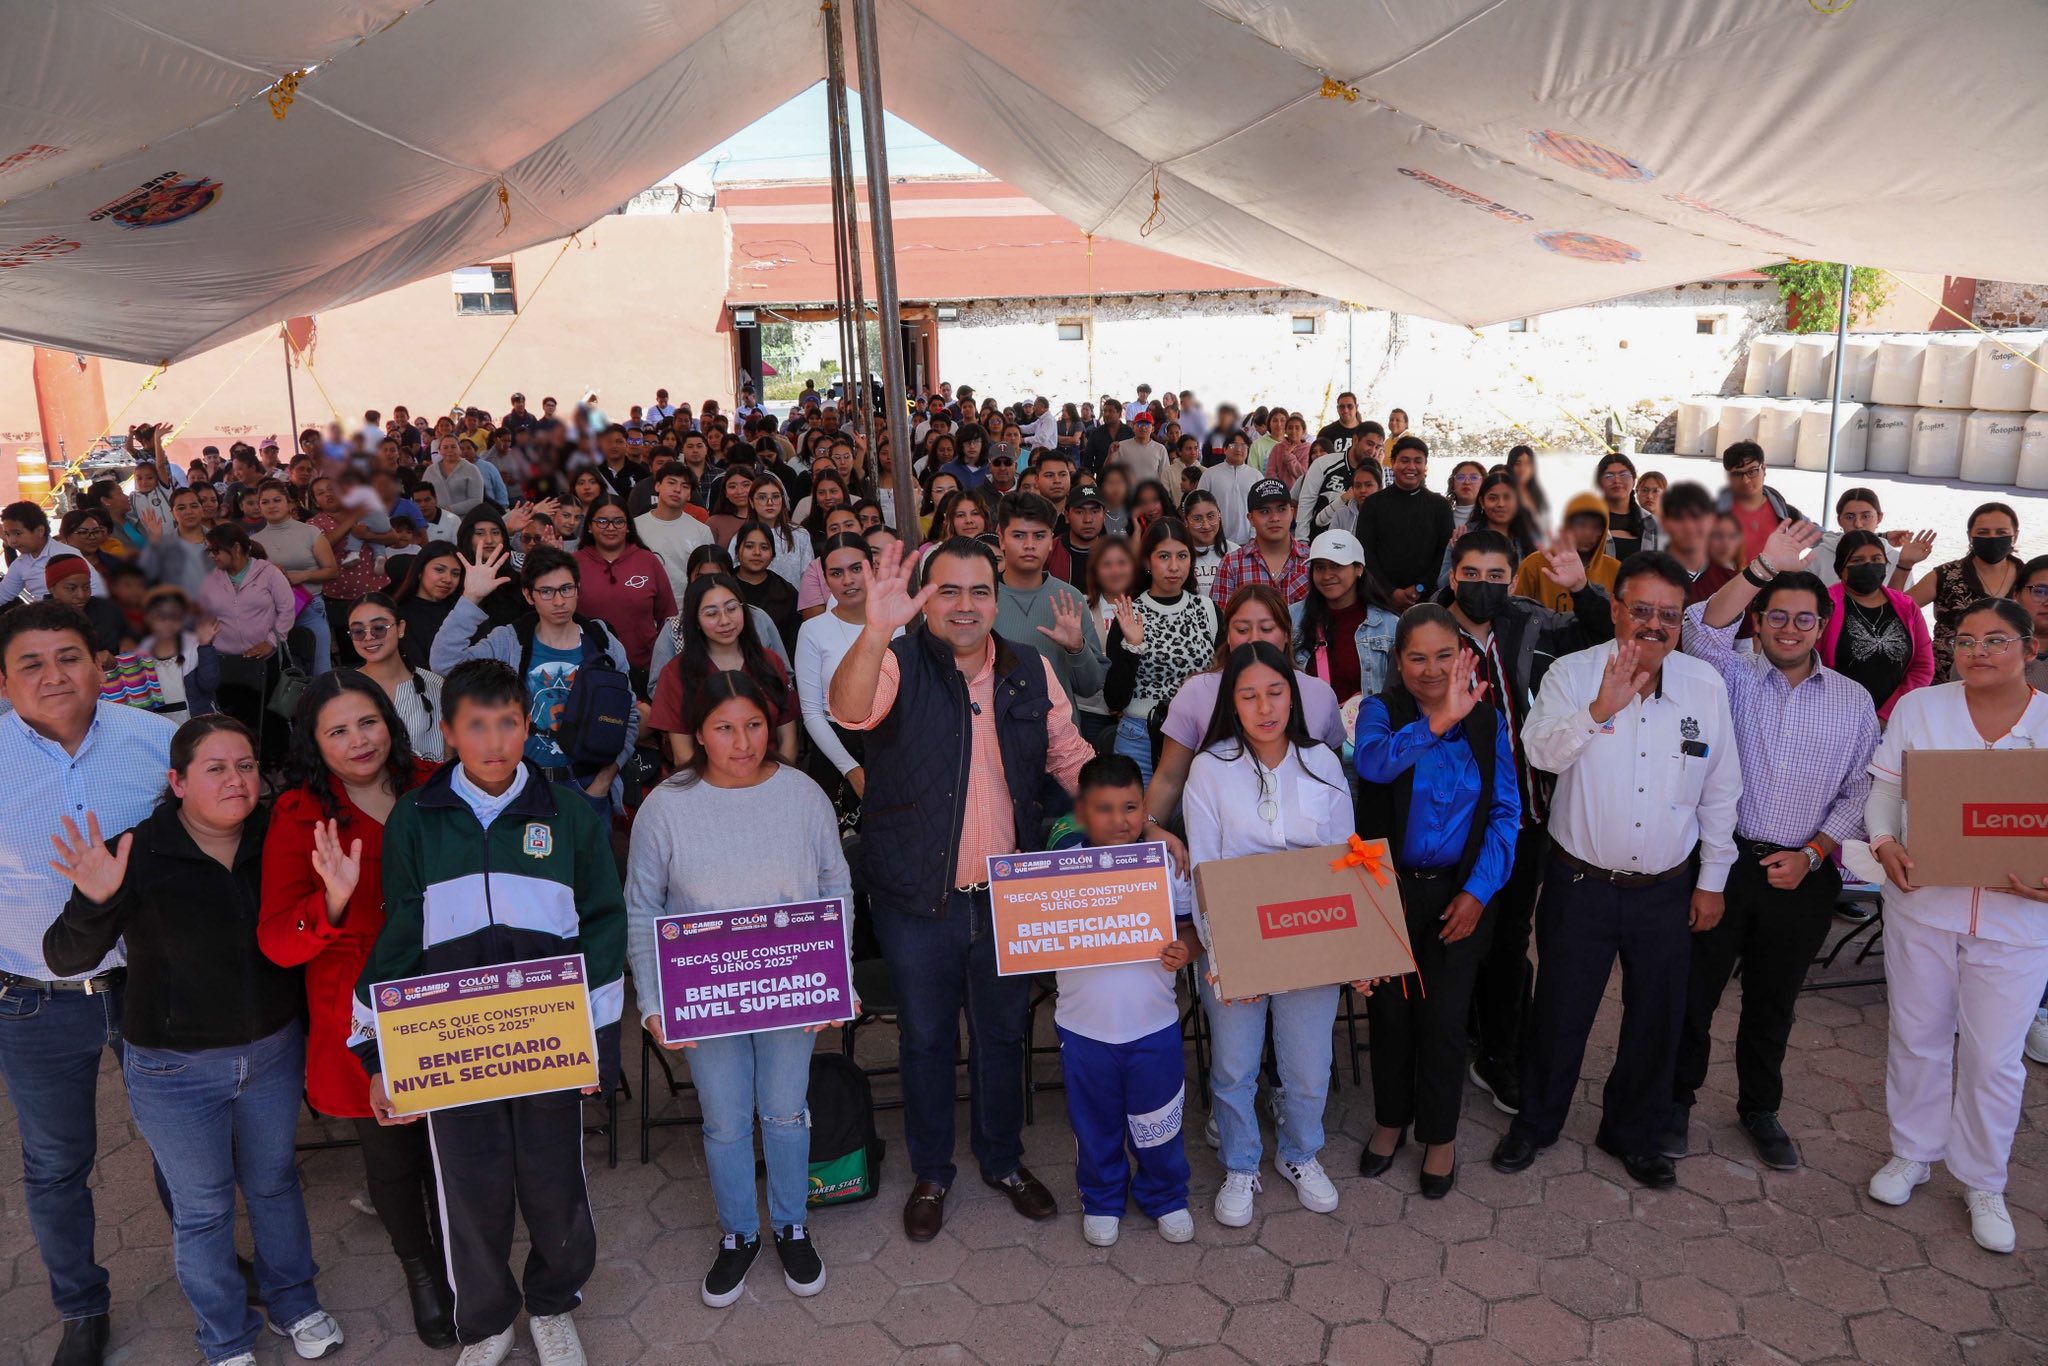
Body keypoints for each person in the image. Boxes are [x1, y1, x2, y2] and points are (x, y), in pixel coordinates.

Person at [828, 537, 1105, 1242]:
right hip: (918, 897)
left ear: (996, 599)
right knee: (924, 1039)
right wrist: (875, 630)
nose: (964, 606)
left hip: (1008, 895)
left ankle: (1002, 1160)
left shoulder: (1029, 670)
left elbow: (1071, 759)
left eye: (979, 591)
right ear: (924, 600)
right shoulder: (896, 660)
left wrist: (1136, 825)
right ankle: (932, 1172)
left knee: (1003, 1034)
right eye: (946, 590)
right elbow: (849, 711)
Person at [45, 715, 344, 1366]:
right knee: (204, 1208)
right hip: (174, 1071)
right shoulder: (136, 852)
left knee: (274, 1185)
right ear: (177, 781)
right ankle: (225, 1337)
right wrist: (94, 902)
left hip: (271, 1052)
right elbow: (66, 956)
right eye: (215, 768)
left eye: (245, 766)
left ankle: (295, 1303)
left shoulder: (276, 839)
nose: (236, 780)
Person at [349, 660, 624, 1363]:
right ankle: (487, 1319)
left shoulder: (569, 815)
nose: (494, 741)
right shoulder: (417, 819)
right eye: (476, 725)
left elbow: (603, 924)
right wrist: (379, 1052)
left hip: (548, 1045)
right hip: (454, 1047)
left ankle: (554, 1303)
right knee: (469, 1189)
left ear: (528, 726)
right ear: (447, 732)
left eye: (508, 723)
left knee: (555, 1182)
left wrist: (597, 1040)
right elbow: (400, 933)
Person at [1494, 552, 1740, 1190]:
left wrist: (1712, 880)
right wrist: (1599, 709)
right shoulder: (1574, 673)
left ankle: (1633, 1133)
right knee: (1560, 1011)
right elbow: (1539, 752)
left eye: (1669, 614)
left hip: (1667, 889)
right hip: (1580, 885)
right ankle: (1536, 1123)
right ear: (1616, 610)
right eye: (1642, 610)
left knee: (1656, 1017)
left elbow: (1721, 790)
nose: (1654, 624)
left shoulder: (1705, 686)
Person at [627, 670, 852, 1306]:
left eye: (753, 725)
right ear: (698, 733)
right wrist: (653, 1002)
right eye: (724, 728)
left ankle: (790, 1224)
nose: (743, 741)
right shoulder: (666, 806)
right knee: (725, 1120)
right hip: (704, 996)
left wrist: (837, 978)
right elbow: (642, 907)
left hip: (792, 985)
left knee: (785, 1110)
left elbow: (835, 885)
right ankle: (739, 1233)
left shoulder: (803, 795)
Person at [1668, 521, 1879, 1172]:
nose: (1790, 629)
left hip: (1803, 875)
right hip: (1723, 865)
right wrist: (1762, 566)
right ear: (1758, 623)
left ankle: (1759, 1108)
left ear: (1823, 626)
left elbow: (1859, 791)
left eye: (1804, 619)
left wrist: (1814, 853)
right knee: (1694, 995)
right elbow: (1703, 625)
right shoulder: (1728, 677)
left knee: (1773, 1003)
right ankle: (1675, 1101)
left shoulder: (1853, 702)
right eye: (1777, 617)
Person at [0, 602, 178, 1366]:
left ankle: (211, 1262)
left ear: (100, 664)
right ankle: (80, 1305)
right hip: (33, 1001)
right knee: (54, 1165)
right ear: (3, 681)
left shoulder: (157, 741)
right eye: (31, 663)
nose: (54, 676)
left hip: (150, 986)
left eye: (69, 656)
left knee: (184, 1145)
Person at [258, 672, 451, 1348]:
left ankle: (461, 1256)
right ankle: (421, 1270)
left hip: (446, 992)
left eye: (367, 722)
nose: (358, 740)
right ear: (314, 743)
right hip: (360, 1010)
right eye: (337, 731)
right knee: (392, 1154)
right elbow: (278, 941)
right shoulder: (297, 814)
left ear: (389, 722)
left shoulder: (434, 783)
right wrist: (332, 903)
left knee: (453, 1143)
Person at [1864, 598, 2048, 1254]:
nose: (1977, 652)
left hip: (2016, 920)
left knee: (1994, 1059)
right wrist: (1885, 842)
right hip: (1924, 905)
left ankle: (1982, 1180)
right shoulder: (1921, 709)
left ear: (2030, 649)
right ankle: (1913, 1152)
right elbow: (1886, 791)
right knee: (1918, 1037)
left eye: (1996, 640)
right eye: (1965, 640)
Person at [1436, 529, 1614, 1116]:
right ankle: (1453, 1042)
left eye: (1495, 576)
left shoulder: (1531, 621)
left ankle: (1499, 1056)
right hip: (1455, 821)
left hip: (1526, 814)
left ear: (1512, 579)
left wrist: (1583, 590)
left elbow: (1599, 637)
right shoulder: (1426, 628)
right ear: (1453, 573)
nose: (1482, 585)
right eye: (1470, 574)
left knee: (1510, 940)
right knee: (1458, 936)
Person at [1184, 641, 1354, 1225]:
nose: (1265, 708)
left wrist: (1349, 951)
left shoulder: (1322, 762)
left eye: (1276, 692)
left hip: (1310, 938)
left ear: (1293, 695)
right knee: (1234, 1066)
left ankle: (1300, 1153)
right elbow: (1204, 868)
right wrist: (1224, 956)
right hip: (1236, 940)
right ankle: (1240, 1163)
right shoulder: (1211, 769)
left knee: (1308, 1068)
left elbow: (1345, 861)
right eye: (1249, 695)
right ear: (1231, 702)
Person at [1354, 606, 1520, 1197]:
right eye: (1417, 658)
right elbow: (1374, 764)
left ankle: (1440, 1136)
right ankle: (1390, 1121)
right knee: (1391, 1015)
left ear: (1463, 657)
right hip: (1387, 890)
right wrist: (1440, 718)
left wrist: (1478, 892)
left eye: (1444, 656)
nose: (1431, 669)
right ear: (1398, 661)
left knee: (1445, 1020)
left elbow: (1505, 812)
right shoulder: (1380, 711)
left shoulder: (1488, 720)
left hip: (1459, 893)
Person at [1045, 755, 1200, 1246]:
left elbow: (1194, 931)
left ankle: (1165, 1194)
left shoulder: (1167, 864)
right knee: (1094, 1123)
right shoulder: (1056, 869)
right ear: (1083, 813)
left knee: (1160, 1119)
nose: (1119, 820)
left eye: (1131, 808)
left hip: (1153, 1022)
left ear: (1144, 808)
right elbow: (1027, 928)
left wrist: (1186, 949)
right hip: (1083, 1027)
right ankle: (1102, 1197)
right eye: (1104, 809)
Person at [429, 547, 641, 814]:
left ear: (578, 589)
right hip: (521, 784)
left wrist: (603, 781)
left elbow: (628, 717)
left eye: (566, 589)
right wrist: (471, 598)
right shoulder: (509, 641)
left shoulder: (603, 643)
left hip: (587, 784)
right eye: (546, 592)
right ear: (529, 595)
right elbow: (445, 662)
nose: (559, 601)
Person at [1103, 519, 1219, 786]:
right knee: (1140, 813)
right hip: (1139, 736)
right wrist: (1133, 647)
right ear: (1147, 561)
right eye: (1164, 556)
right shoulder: (1130, 613)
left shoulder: (1208, 610)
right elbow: (1114, 699)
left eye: (1182, 556)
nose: (1174, 566)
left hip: (1198, 735)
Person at [649, 573, 798, 769]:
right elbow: (683, 755)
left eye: (732, 608)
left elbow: (788, 738)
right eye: (711, 614)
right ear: (695, 621)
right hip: (705, 780)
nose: (725, 620)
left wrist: (778, 780)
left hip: (770, 775)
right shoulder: (676, 672)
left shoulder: (770, 662)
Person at [994, 492, 1106, 711]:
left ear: (1051, 540)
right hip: (996, 726)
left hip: (1060, 728)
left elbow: (1091, 686)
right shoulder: (981, 598)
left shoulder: (1070, 598)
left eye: (1039, 536)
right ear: (1001, 539)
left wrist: (1077, 649)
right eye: (1018, 535)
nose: (1029, 545)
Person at [1821, 530, 1936, 722]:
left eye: (1876, 559)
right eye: (1857, 560)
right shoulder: (1824, 605)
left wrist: (1885, 718)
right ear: (1841, 568)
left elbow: (1923, 667)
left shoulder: (1907, 607)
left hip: (1894, 719)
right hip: (1834, 718)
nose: (1868, 565)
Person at [1907, 501, 2022, 680]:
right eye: (1983, 532)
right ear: (1970, 536)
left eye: (2001, 532)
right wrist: (1904, 565)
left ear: (2015, 535)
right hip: (1944, 680)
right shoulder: (1946, 574)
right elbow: (1897, 609)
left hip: (2011, 682)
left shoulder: (2029, 580)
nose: (1992, 538)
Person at [571, 494, 675, 693]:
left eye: (618, 521)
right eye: (602, 521)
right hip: (587, 669)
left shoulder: (647, 560)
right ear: (589, 526)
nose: (611, 527)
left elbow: (668, 616)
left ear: (628, 526)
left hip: (645, 668)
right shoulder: (574, 564)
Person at [1291, 528, 1396, 710]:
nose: (1327, 575)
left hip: (1367, 726)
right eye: (1320, 567)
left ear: (1359, 569)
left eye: (1337, 565)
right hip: (1310, 725)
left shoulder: (1389, 625)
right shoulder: (1293, 618)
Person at [1357, 436, 1455, 610]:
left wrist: (1420, 587)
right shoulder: (1373, 504)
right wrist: (1390, 591)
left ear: (1425, 466)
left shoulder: (1440, 505)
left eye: (1418, 461)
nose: (1411, 467)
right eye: (1404, 460)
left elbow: (1443, 553)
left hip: (1427, 599)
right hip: (1379, 598)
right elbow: (1365, 552)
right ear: (1393, 463)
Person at [344, 594, 445, 759]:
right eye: (358, 631)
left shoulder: (435, 684)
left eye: (378, 628)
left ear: (400, 628)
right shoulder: (342, 690)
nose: (368, 637)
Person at [1512, 494, 1620, 613]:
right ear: (1566, 525)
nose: (1588, 532)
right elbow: (1515, 609)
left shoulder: (1615, 569)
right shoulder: (1534, 564)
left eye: (1597, 526)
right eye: (1580, 524)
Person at [1210, 479, 1310, 606]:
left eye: (1281, 509)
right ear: (1251, 518)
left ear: (1292, 512)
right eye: (1265, 511)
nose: (1275, 518)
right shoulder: (1232, 564)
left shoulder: (1310, 560)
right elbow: (1220, 615)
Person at [634, 463, 712, 604]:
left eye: (685, 486)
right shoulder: (635, 527)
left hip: (687, 607)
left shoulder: (702, 531)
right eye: (671, 483)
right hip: (644, 605)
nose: (677, 489)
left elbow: (708, 575)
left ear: (690, 495)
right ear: (657, 486)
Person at [1717, 440, 1804, 564]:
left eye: (1752, 471)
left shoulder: (1785, 512)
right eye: (1737, 474)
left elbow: (1820, 536)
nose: (1746, 480)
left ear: (1764, 469)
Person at [3, 500, 107, 602]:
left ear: (40, 531)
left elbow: (98, 593)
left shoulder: (67, 555)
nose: (12, 541)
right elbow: (4, 593)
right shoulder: (20, 564)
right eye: (7, 534)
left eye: (17, 533)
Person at [731, 521, 802, 657]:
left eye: (764, 547)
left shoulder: (787, 592)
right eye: (749, 546)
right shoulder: (724, 589)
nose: (757, 553)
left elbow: (793, 643)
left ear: (772, 553)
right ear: (737, 550)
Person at [1656, 481, 1733, 604]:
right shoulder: (1644, 575)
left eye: (1696, 516)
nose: (1689, 527)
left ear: (1713, 520)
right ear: (1664, 522)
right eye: (1679, 518)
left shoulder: (1730, 580)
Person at [392, 541, 464, 671]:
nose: (448, 579)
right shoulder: (397, 613)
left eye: (455, 574)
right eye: (439, 570)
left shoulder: (463, 611)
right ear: (420, 571)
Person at [1596, 454, 1660, 561]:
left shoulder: (1651, 522)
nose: (1617, 480)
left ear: (1634, 481)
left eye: (1624, 474)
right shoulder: (1588, 519)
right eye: (1609, 476)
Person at [1059, 485, 1107, 589]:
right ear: (1067, 516)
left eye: (1095, 511)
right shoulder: (1050, 552)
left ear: (1104, 515)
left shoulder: (1114, 552)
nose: (1088, 519)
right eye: (1079, 512)